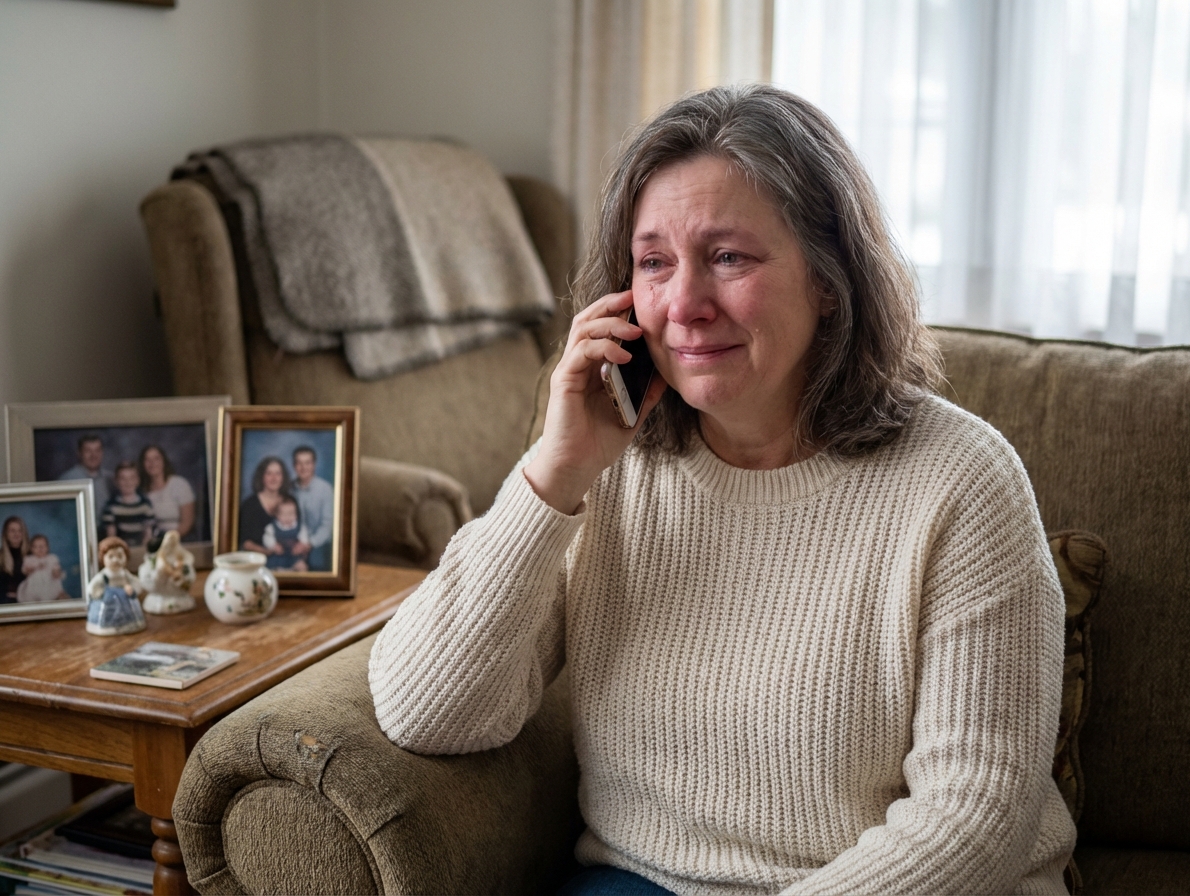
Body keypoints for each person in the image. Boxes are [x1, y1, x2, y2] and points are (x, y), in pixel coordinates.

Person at [367, 85, 1074, 896]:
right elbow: (429, 711)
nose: (685, 306)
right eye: (654, 262)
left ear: (830, 281)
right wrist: (554, 473)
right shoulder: (611, 462)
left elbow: (973, 819)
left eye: (730, 257)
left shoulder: (963, 479)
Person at [85, 536, 145, 636]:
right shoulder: (104, 575)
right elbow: (93, 586)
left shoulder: (125, 574)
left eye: (120, 556)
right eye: (111, 556)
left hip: (125, 598)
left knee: (129, 611)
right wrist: (98, 592)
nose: (115, 560)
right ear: (103, 558)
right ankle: (106, 626)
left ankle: (129, 625)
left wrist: (132, 589)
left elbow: (136, 582)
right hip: (108, 600)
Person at [290, 445, 334, 572]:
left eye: (308, 463)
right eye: (299, 463)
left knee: (316, 565)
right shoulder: (289, 488)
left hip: (318, 543)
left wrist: (309, 544)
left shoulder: (325, 489)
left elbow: (327, 525)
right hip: (294, 542)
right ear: (294, 466)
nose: (303, 468)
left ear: (314, 464)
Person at [138, 445, 196, 541]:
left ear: (163, 461)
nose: (152, 463)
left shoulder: (179, 484)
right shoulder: (142, 491)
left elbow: (187, 523)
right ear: (143, 464)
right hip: (154, 542)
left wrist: (168, 541)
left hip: (181, 539)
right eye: (147, 460)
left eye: (156, 458)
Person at [238, 456, 291, 554]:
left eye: (278, 474)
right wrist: (267, 552)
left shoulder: (291, 502)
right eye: (269, 473)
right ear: (262, 476)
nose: (274, 478)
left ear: (283, 477)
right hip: (257, 561)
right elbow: (244, 542)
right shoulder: (249, 505)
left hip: (288, 561)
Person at [58, 434, 111, 527]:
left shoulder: (111, 479)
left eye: (97, 450)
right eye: (88, 451)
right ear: (79, 453)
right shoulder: (67, 480)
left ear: (102, 452)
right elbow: (61, 516)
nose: (93, 455)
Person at [103, 462, 156, 546]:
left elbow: (148, 535)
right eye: (123, 479)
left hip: (141, 548)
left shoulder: (145, 505)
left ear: (138, 480)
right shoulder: (111, 507)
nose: (127, 482)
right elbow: (111, 537)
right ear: (116, 481)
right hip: (120, 549)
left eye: (132, 478)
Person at [262, 495, 310, 572]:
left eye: (291, 513)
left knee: (302, 566)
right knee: (272, 568)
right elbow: (267, 538)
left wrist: (301, 545)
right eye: (284, 514)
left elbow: (304, 538)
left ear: (296, 514)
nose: (288, 517)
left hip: (293, 556)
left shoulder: (300, 527)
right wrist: (273, 545)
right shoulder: (272, 527)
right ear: (277, 515)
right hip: (278, 556)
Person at [16, 534, 67, 603]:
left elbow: (56, 569)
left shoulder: (52, 558)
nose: (40, 549)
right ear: (31, 549)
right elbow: (25, 571)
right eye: (36, 547)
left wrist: (56, 573)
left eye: (42, 546)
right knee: (31, 596)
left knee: (55, 594)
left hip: (49, 584)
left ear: (48, 547)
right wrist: (33, 568)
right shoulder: (29, 559)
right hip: (34, 585)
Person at [0, 516, 30, 604]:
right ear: (5, 534)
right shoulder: (0, 557)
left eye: (20, 530)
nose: (16, 534)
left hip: (29, 602)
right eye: (12, 531)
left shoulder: (33, 555)